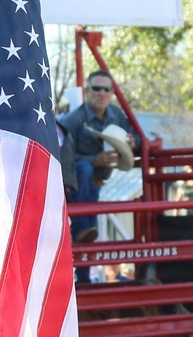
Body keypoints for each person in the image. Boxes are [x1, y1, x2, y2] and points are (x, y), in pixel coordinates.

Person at [61, 69, 141, 244]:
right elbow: (62, 158)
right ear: (87, 91)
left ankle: (83, 235)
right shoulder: (72, 121)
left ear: (112, 93)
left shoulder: (116, 114)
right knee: (84, 169)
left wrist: (133, 142)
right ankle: (80, 230)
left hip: (95, 184)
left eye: (107, 89)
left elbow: (138, 137)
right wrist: (94, 161)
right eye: (96, 88)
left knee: (90, 235)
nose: (102, 93)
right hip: (72, 187)